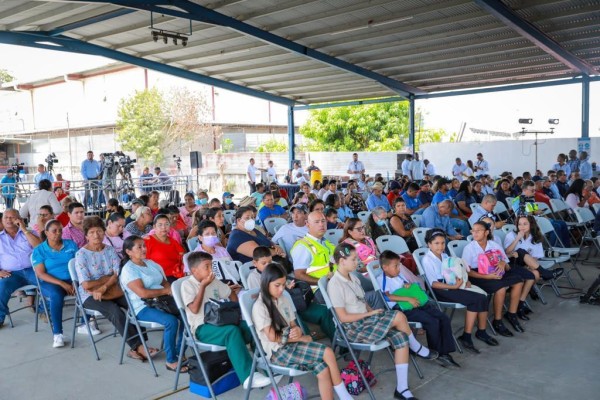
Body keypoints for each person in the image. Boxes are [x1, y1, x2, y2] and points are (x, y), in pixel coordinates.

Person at [328, 242, 433, 400]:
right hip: (353, 327)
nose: (359, 262)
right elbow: (343, 317)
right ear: (342, 261)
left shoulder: (353, 278)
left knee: (401, 337)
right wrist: (369, 315)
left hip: (366, 320)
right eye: (354, 259)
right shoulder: (335, 284)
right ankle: (417, 347)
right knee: (398, 316)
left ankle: (402, 389)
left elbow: (363, 303)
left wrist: (372, 312)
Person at [253, 263, 352, 400]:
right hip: (278, 352)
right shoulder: (260, 306)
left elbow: (293, 324)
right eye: (277, 285)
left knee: (322, 369)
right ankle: (345, 396)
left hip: (292, 346)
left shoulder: (283, 299)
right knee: (328, 352)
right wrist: (299, 338)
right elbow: (272, 337)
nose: (282, 289)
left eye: (283, 284)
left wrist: (298, 331)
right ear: (266, 283)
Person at [180, 252, 272, 389]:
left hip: (220, 322)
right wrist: (203, 287)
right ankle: (248, 377)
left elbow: (231, 293)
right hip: (202, 328)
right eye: (207, 266)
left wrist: (236, 313)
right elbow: (193, 309)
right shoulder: (187, 285)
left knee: (250, 327)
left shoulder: (214, 281)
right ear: (194, 271)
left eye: (211, 265)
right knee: (232, 331)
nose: (211, 269)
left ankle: (267, 364)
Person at [378, 250, 458, 367]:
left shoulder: (398, 275)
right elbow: (387, 296)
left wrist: (407, 286)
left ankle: (445, 351)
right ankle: (436, 352)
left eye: (399, 265)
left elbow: (405, 286)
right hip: (402, 309)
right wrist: (407, 299)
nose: (399, 268)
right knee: (432, 321)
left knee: (443, 318)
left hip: (414, 303)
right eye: (396, 266)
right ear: (385, 267)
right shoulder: (381, 279)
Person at [421, 228, 495, 353]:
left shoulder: (444, 255)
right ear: (429, 244)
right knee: (476, 299)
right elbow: (433, 284)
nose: (440, 246)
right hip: (441, 291)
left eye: (443, 243)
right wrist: (454, 287)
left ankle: (481, 331)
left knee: (484, 295)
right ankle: (466, 336)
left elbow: (454, 270)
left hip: (452, 285)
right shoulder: (427, 259)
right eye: (436, 243)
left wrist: (464, 280)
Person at [120, 235, 185, 372]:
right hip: (142, 306)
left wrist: (169, 291)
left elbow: (165, 283)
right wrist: (166, 291)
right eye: (139, 247)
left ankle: (179, 351)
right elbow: (143, 294)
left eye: (144, 245)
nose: (144, 249)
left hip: (161, 302)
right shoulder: (129, 269)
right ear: (129, 251)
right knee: (171, 321)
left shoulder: (151, 263)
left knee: (186, 316)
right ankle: (171, 360)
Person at [462, 221, 525, 336]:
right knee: (500, 289)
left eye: (478, 231)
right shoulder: (469, 248)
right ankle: (498, 320)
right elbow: (467, 271)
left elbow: (506, 265)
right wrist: (486, 276)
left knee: (518, 281)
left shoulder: (493, 245)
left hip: (494, 270)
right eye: (473, 231)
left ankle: (512, 313)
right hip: (478, 275)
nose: (474, 233)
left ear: (486, 232)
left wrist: (502, 263)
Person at [504, 215, 564, 319]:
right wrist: (517, 238)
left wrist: (529, 266)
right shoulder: (511, 235)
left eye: (525, 224)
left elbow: (535, 258)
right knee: (521, 251)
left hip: (526, 264)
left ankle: (520, 304)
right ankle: (546, 273)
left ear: (531, 225)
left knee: (535, 273)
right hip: (511, 264)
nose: (521, 226)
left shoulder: (534, 237)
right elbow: (506, 253)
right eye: (519, 224)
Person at [31, 219, 78, 347]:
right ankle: (57, 334)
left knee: (86, 288)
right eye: (54, 231)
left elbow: (79, 265)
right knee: (56, 295)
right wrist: (62, 284)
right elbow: (41, 273)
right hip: (50, 281)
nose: (58, 233)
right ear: (46, 232)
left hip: (71, 279)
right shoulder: (39, 250)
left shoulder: (71, 245)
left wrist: (76, 280)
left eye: (60, 230)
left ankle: (86, 322)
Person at [0, 209, 41, 327]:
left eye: (12, 217)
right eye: (5, 217)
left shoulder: (30, 233)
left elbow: (39, 247)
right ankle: (0, 318)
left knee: (48, 283)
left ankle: (43, 310)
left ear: (19, 219)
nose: (8, 219)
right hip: (12, 274)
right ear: (2, 220)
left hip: (32, 270)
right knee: (2, 287)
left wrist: (24, 229)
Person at [145, 214, 185, 282]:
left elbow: (182, 256)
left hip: (177, 275)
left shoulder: (173, 241)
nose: (164, 227)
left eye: (166, 224)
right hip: (159, 277)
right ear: (154, 227)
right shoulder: (147, 241)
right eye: (160, 225)